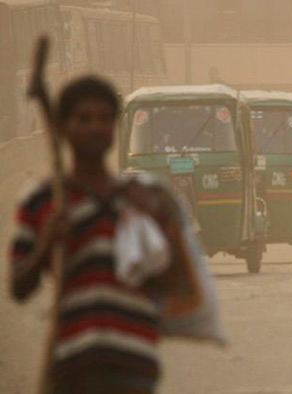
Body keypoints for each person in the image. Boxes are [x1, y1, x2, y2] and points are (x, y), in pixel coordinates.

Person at [8, 77, 187, 394]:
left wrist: (162, 227)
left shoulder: (142, 197)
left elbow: (179, 285)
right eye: (84, 119)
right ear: (64, 127)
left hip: (136, 368)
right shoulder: (42, 201)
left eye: (104, 119)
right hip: (71, 366)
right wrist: (48, 241)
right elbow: (19, 286)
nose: (95, 127)